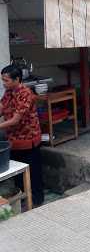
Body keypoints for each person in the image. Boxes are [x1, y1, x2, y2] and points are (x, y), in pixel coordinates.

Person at [0, 65, 44, 206]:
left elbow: (15, 119)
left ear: (17, 79)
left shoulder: (25, 93)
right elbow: (1, 108)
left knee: (33, 173)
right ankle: (24, 199)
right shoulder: (8, 92)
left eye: (6, 80)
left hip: (28, 139)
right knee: (19, 174)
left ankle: (37, 201)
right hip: (13, 140)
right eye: (2, 80)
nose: (3, 83)